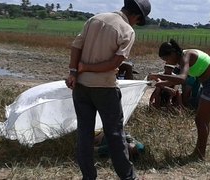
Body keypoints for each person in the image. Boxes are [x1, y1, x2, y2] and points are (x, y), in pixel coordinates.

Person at [65, 0, 151, 179]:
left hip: (81, 87)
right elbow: (113, 63)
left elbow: (76, 46)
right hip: (105, 88)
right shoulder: (127, 30)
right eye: (137, 21)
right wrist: (86, 67)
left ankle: (88, 176)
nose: (135, 24)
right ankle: (127, 177)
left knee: (84, 134)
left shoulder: (95, 19)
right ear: (136, 16)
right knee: (115, 135)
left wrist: (74, 72)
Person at [152, 39, 210, 160]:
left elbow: (181, 78)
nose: (167, 62)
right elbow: (179, 79)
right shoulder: (184, 57)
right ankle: (200, 152)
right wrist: (161, 83)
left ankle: (200, 153)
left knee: (200, 120)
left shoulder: (186, 56)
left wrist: (159, 75)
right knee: (203, 120)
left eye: (166, 59)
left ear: (172, 54)